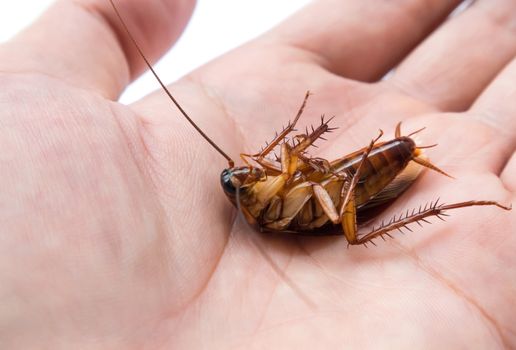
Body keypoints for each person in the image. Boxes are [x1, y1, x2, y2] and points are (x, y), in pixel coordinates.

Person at [0, 0, 514, 348]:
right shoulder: (262, 211)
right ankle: (454, 205)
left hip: (343, 177)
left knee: (317, 167)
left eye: (245, 172)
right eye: (241, 178)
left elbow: (292, 161)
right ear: (242, 198)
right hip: (343, 207)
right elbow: (301, 192)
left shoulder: (266, 186)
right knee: (347, 227)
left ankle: (419, 179)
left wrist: (299, 141)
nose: (247, 171)